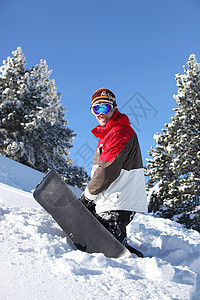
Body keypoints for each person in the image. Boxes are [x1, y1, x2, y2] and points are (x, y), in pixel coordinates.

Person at [80, 88, 148, 257]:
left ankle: (139, 267)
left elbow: (107, 171)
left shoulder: (119, 132)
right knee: (113, 245)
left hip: (117, 201)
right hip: (110, 200)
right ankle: (132, 256)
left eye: (105, 108)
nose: (100, 113)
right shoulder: (108, 134)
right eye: (96, 109)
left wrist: (88, 197)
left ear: (114, 108)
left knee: (109, 253)